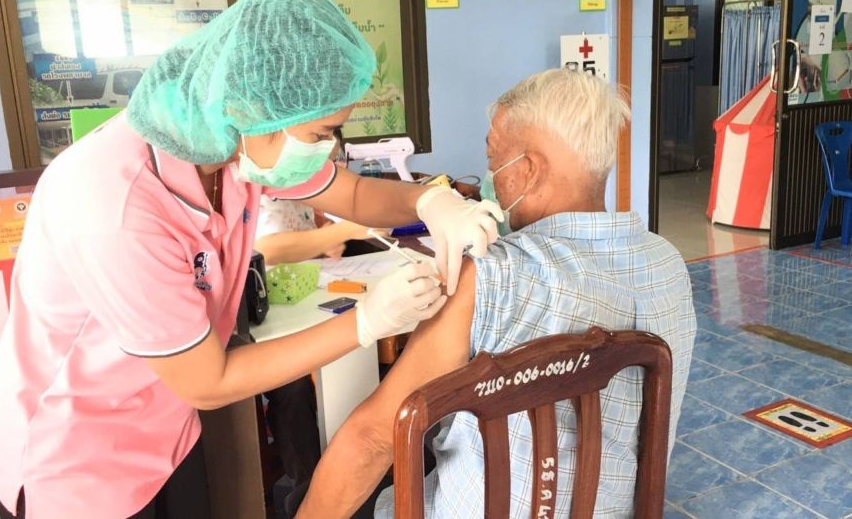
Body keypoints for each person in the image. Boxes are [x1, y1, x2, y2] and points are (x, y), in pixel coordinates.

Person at [0, 0, 503, 518]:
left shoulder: (235, 150)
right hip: (76, 460)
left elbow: (351, 192)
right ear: (254, 106)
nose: (329, 147)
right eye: (324, 131)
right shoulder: (114, 203)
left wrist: (432, 200)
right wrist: (366, 322)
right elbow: (211, 380)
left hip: (163, 429)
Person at [296, 69, 696, 518]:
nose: (489, 178)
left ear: (527, 170)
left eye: (493, 164)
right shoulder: (668, 264)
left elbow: (373, 439)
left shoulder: (490, 276)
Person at [255, 129, 387, 265]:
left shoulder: (304, 185)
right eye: (323, 163)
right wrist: (342, 231)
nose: (328, 170)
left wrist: (324, 232)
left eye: (333, 161)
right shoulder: (263, 183)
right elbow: (266, 251)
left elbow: (308, 220)